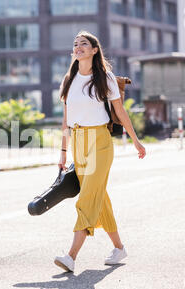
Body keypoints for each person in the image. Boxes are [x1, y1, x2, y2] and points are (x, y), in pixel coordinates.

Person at [55, 30, 146, 272]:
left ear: (95, 50)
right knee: (99, 197)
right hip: (78, 141)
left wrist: (136, 140)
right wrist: (63, 152)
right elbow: (66, 120)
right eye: (75, 44)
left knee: (87, 198)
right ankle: (119, 248)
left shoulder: (105, 78)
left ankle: (71, 255)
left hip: (100, 141)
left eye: (83, 43)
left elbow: (120, 112)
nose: (78, 47)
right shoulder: (68, 80)